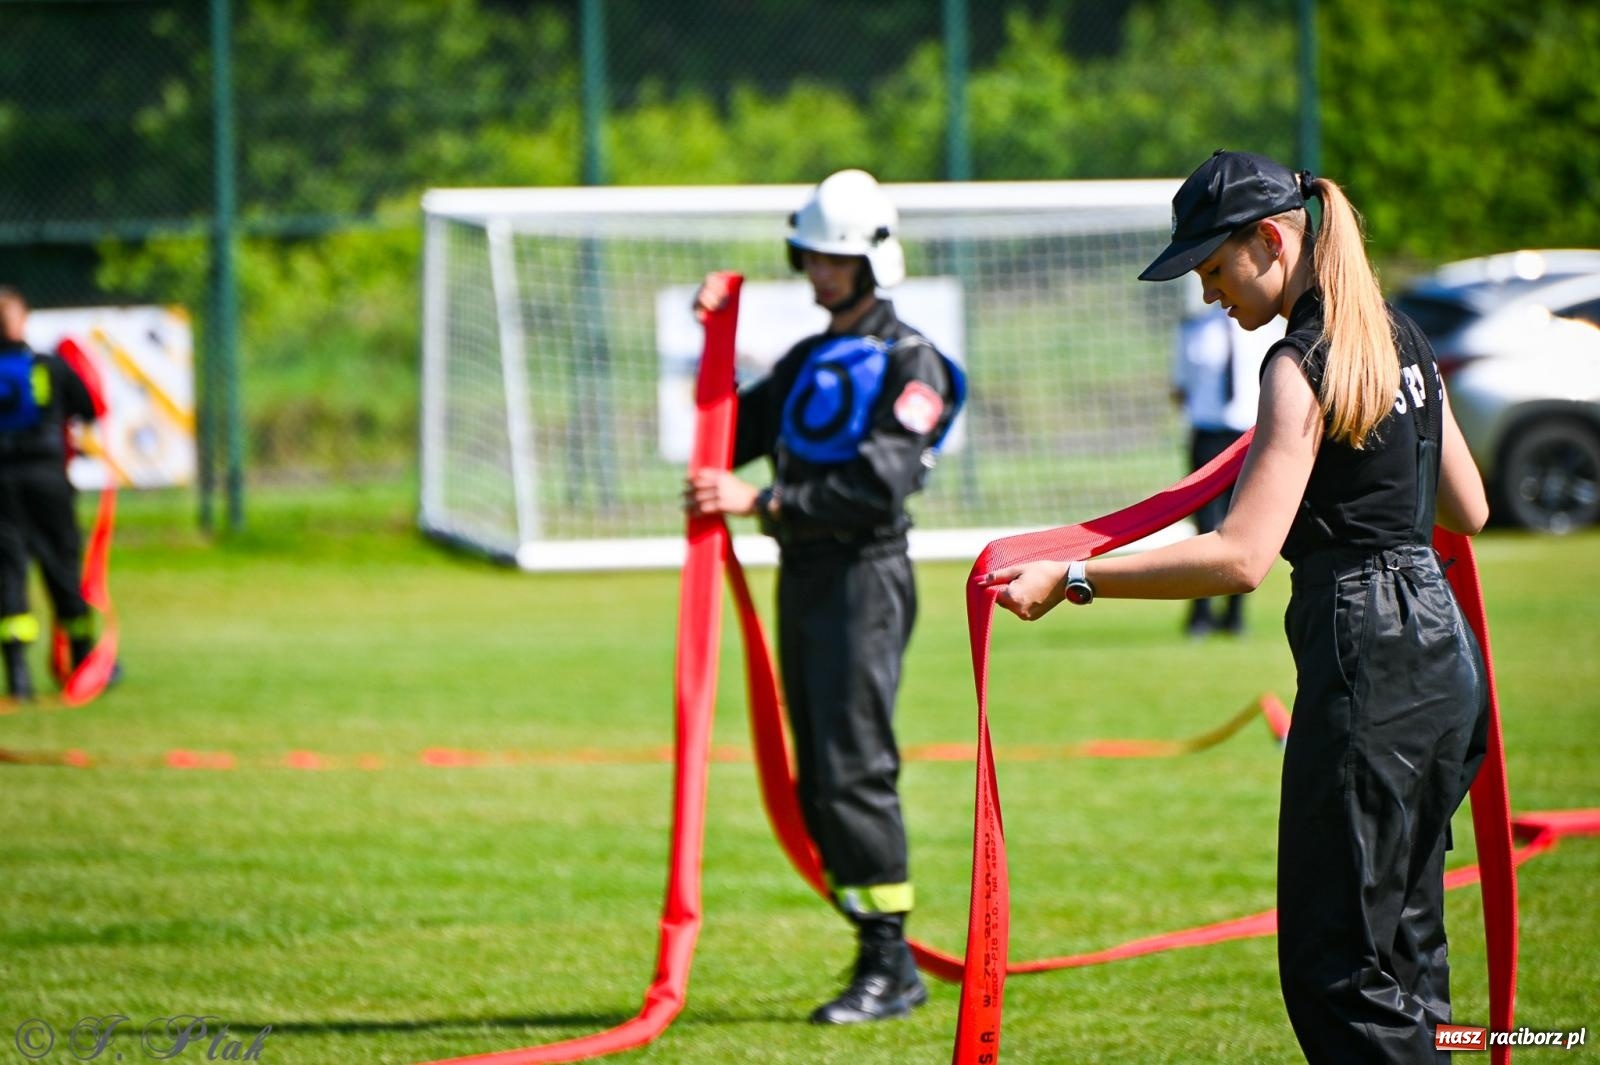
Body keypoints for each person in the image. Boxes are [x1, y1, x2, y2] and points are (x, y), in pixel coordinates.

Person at [979, 150, 1490, 1063]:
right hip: (1444, 655)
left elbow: (1242, 555)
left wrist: (1077, 577)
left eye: (1215, 268)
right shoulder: (1401, 337)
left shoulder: (1298, 362)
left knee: (1339, 969)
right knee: (1408, 953)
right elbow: (1470, 507)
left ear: (1271, 241)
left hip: (1368, 648)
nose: (1209, 293)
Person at [684, 169, 964, 1025]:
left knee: (852, 767)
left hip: (864, 577)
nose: (821, 272)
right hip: (804, 575)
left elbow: (879, 485)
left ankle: (888, 962)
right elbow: (729, 431)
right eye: (811, 256)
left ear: (874, 261)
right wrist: (712, 339)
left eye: (836, 258)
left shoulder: (912, 361)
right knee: (819, 778)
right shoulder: (808, 359)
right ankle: (883, 954)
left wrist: (765, 502)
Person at [0, 286, 100, 700]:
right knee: (62, 567)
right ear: (22, 321)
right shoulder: (50, 366)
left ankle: (18, 678)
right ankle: (83, 664)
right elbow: (91, 408)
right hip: (47, 480)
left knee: (8, 572)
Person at [1169, 290, 1282, 637]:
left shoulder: (1271, 329)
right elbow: (1179, 387)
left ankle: (1235, 614)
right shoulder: (1193, 330)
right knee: (1205, 526)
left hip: (1248, 437)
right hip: (1208, 434)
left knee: (1243, 524)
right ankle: (1201, 613)